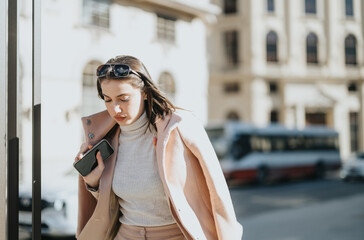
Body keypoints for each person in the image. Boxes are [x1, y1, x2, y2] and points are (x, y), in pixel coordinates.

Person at [74, 55, 243, 240]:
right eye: (107, 100)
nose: (115, 109)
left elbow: (218, 193)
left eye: (123, 99)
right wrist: (93, 183)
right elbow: (110, 208)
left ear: (145, 92)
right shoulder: (103, 138)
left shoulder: (179, 127)